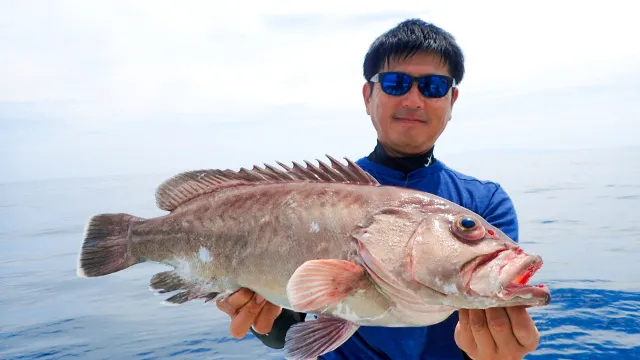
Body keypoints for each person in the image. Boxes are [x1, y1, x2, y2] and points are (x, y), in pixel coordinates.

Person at [216, 18, 541, 360]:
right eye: (396, 83)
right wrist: (258, 314)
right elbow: (288, 333)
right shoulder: (311, 196)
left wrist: (497, 351)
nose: (414, 100)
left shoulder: (485, 202)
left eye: (433, 86)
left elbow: (488, 313)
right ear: (368, 95)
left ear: (451, 100)